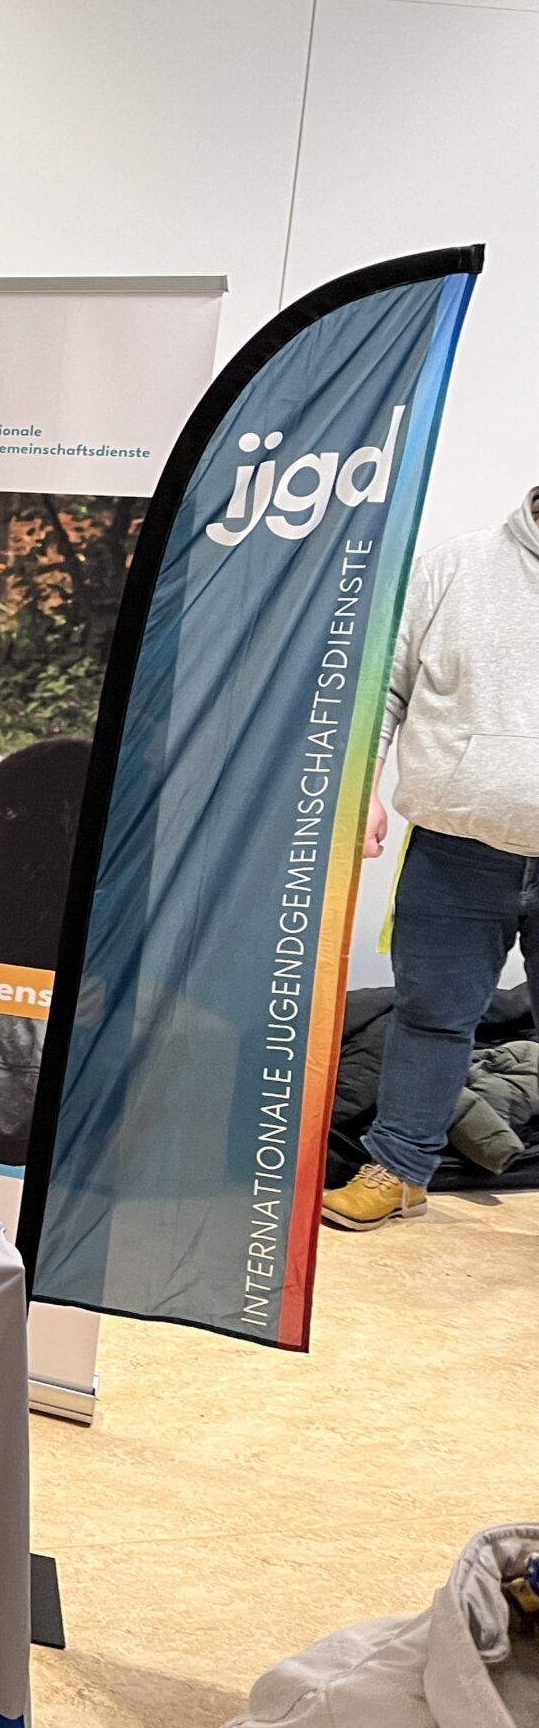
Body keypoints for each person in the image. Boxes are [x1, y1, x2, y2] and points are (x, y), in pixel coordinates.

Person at [326, 489, 539, 1231]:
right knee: (431, 1018)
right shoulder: (454, 567)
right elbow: (381, 688)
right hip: (456, 848)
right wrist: (361, 790)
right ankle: (398, 1172)